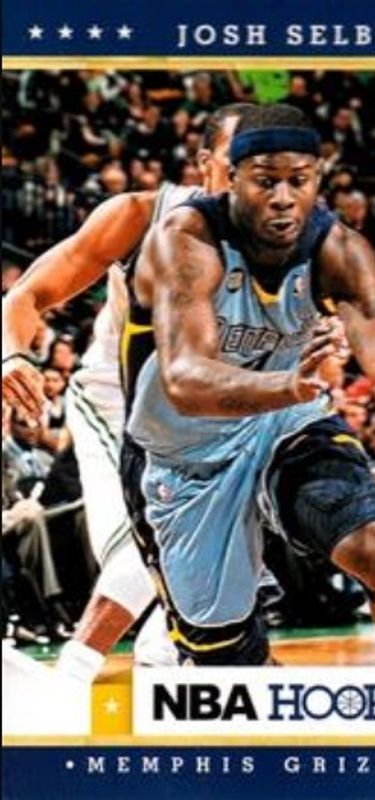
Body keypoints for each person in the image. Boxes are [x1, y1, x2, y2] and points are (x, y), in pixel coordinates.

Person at [124, 104, 375, 667]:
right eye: (266, 181)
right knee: (226, 656)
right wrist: (289, 383)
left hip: (284, 424)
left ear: (319, 178)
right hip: (184, 451)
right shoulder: (186, 238)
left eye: (300, 180)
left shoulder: (339, 248)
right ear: (232, 178)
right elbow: (185, 378)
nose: (284, 198)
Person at [2, 104, 253, 683]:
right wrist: (13, 355)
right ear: (205, 164)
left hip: (206, 415)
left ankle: (161, 652)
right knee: (154, 543)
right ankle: (72, 675)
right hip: (116, 399)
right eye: (235, 164)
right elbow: (26, 296)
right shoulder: (139, 216)